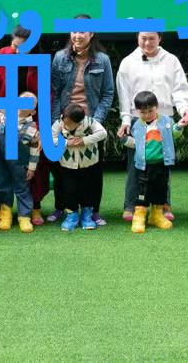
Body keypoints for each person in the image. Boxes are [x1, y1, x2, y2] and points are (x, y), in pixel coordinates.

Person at [116, 30, 188, 223]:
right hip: (138, 118)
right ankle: (131, 205)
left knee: (163, 163)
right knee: (136, 164)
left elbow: (180, 88)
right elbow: (124, 95)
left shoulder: (171, 60)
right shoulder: (128, 63)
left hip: (164, 119)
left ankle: (164, 205)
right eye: (143, 38)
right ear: (137, 37)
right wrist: (126, 120)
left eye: (152, 38)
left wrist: (184, 109)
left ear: (160, 38)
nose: (147, 42)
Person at [50, 18, 114, 225]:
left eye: (82, 32)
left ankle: (93, 210)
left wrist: (97, 120)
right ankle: (62, 208)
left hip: (90, 122)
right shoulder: (60, 57)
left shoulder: (102, 60)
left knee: (92, 171)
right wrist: (56, 121)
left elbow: (108, 93)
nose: (77, 35)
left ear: (91, 34)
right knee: (62, 169)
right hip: (65, 120)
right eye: (74, 31)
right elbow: (54, 91)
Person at [0, 25, 44, 224]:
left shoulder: (40, 61)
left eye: (23, 47)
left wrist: (40, 127)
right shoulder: (2, 55)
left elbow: (46, 95)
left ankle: (33, 207)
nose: (17, 51)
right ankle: (2, 208)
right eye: (15, 45)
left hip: (31, 120)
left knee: (30, 168)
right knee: (1, 166)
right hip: (5, 119)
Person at [126, 91, 185, 234]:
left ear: (157, 107)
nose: (147, 115)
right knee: (142, 191)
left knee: (161, 189)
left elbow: (174, 134)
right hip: (144, 166)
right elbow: (135, 143)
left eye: (150, 111)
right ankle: (139, 216)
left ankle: (156, 215)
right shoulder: (137, 125)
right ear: (137, 111)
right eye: (143, 112)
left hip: (162, 164)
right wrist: (124, 139)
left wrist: (179, 126)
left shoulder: (166, 121)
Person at [51, 103, 107, 232]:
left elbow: (102, 133)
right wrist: (66, 142)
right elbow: (50, 138)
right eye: (64, 121)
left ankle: (87, 215)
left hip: (88, 162)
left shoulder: (89, 122)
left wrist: (84, 140)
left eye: (69, 123)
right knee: (69, 189)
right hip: (67, 163)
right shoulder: (59, 122)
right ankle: (72, 215)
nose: (65, 125)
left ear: (79, 122)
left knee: (88, 188)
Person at [0, 92, 40, 233]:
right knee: (1, 184)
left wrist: (32, 168)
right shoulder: (6, 111)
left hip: (19, 162)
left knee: (22, 187)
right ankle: (5, 213)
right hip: (0, 160)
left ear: (33, 111)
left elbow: (35, 149)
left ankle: (24, 216)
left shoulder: (32, 127)